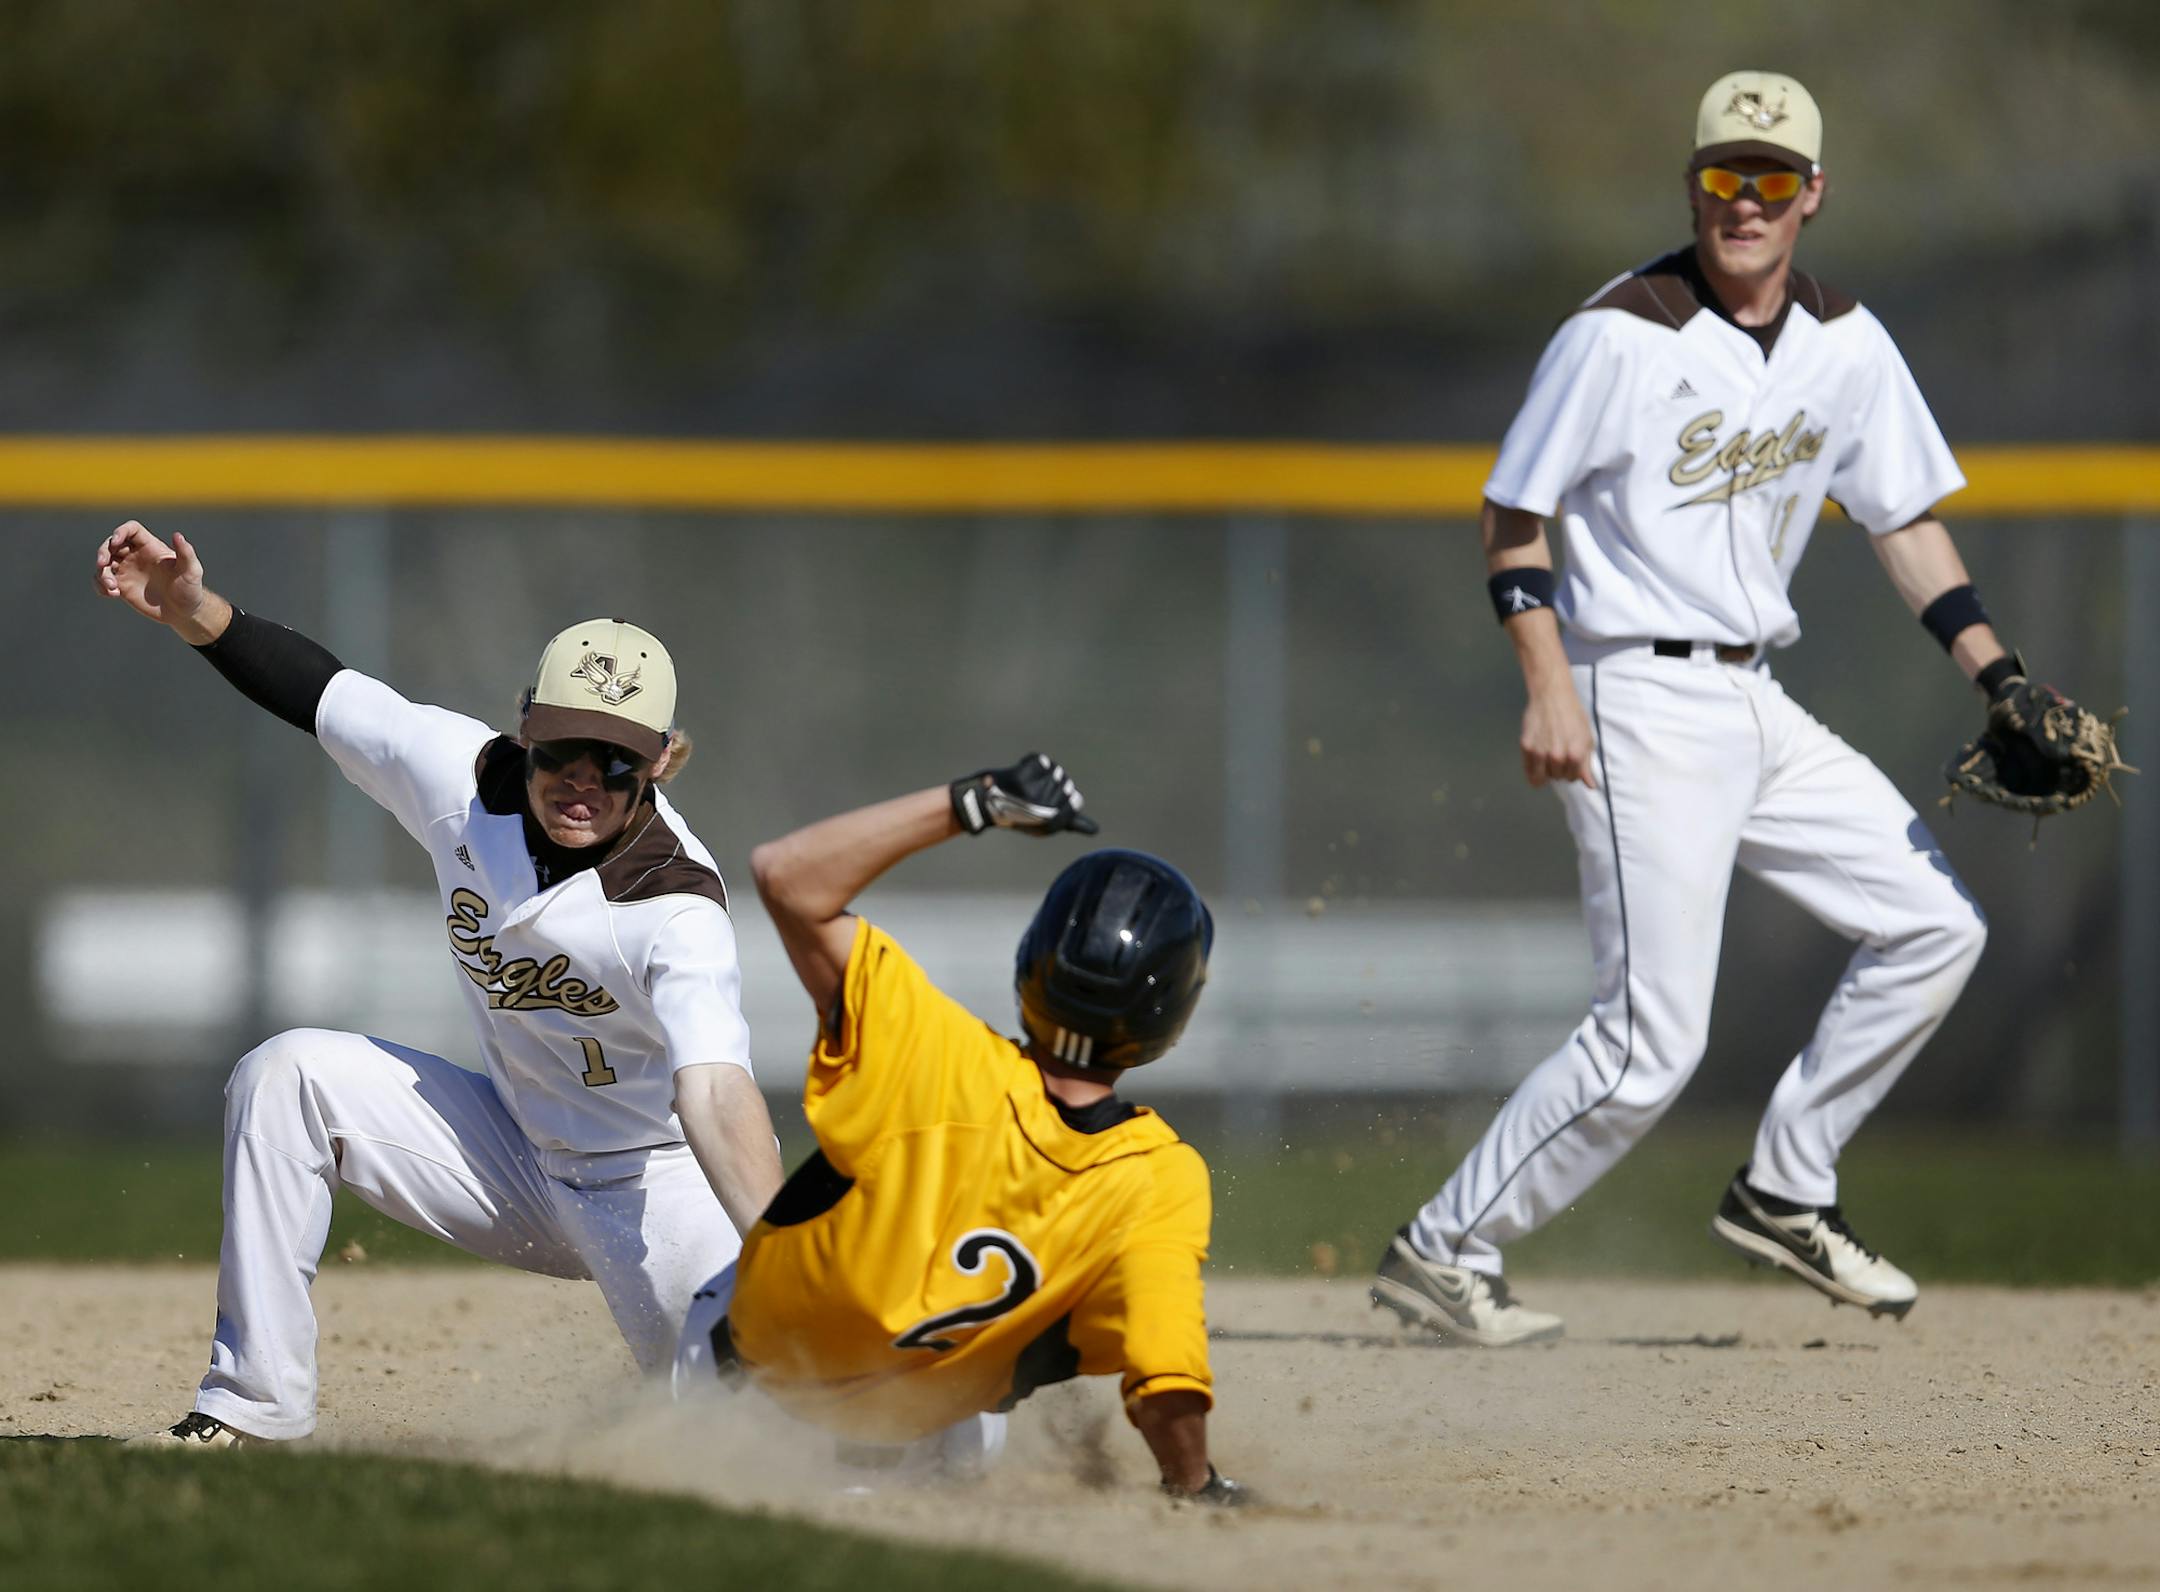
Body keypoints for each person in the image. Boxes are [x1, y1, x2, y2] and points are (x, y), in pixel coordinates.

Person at [1372, 70, 2068, 1344]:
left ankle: (1789, 1183)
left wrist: (2000, 676)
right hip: (1629, 687)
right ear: (1693, 183)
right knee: (1649, 1043)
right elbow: (1511, 512)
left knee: (1933, 927)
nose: (1745, 203)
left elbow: (1902, 516)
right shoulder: (1618, 332)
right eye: (1722, 177)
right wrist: (1545, 685)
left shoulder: (1846, 340)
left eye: (1773, 179)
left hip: (1755, 693)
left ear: (1814, 195)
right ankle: (1444, 1247)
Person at [94, 521, 783, 1443]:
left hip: (652, 1190)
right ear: (525, 731)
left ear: (661, 760)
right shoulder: (463, 776)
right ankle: (253, 1406)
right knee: (288, 1074)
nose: (581, 780)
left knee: (753, 1420)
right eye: (561, 749)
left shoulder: (675, 904)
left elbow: (715, 1090)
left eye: (614, 760)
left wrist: (784, 1247)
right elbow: (324, 693)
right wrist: (192, 613)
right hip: (513, 1157)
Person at [672, 756, 1246, 1503]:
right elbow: (1166, 1379)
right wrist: (1195, 1485)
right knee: (1025, 1347)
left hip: (739, 1400)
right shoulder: (1157, 1177)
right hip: (925, 1440)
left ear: (1033, 961)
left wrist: (974, 803)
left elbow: (786, 874)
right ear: (1171, 1016)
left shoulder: (929, 1045)